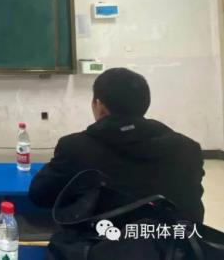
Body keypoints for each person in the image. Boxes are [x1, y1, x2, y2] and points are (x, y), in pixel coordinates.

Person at [29, 67, 205, 222]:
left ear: (99, 105)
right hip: (172, 244)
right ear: (144, 103)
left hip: (99, 244)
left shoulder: (75, 148)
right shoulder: (187, 148)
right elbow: (193, 210)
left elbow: (39, 195)